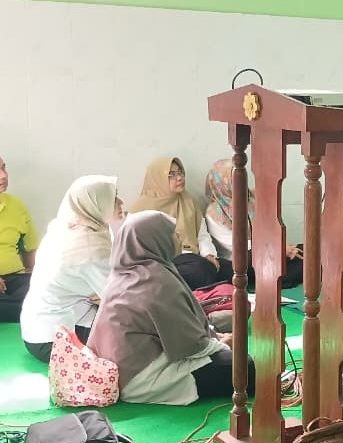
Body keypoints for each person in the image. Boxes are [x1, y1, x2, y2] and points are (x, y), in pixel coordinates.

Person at [87, 210, 255, 404]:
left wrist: (215, 338)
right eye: (173, 234)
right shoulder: (155, 281)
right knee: (244, 368)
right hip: (141, 378)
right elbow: (191, 347)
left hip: (118, 371)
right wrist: (222, 344)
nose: (179, 238)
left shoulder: (123, 273)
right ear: (155, 240)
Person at [20, 175, 120, 362]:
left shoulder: (68, 227)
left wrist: (104, 296)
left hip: (39, 329)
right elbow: (119, 297)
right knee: (136, 332)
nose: (120, 203)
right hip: (53, 341)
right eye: (112, 198)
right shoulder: (88, 247)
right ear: (94, 203)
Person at [204, 158, 303, 288]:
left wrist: (283, 246)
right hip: (240, 258)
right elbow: (236, 245)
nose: (240, 181)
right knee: (253, 257)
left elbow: (271, 228)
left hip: (266, 250)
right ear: (221, 183)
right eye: (233, 178)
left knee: (304, 250)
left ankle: (281, 274)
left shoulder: (250, 200)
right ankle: (282, 275)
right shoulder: (214, 213)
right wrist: (276, 249)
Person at [130, 157, 220, 290]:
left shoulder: (188, 200)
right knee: (200, 269)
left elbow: (201, 234)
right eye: (171, 175)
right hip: (166, 265)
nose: (179, 178)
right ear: (158, 179)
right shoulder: (141, 210)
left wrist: (209, 254)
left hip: (194, 258)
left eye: (180, 172)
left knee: (233, 268)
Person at [0, 155, 39, 322]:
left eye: (4, 168)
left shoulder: (17, 206)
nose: (3, 175)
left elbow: (30, 250)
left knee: (47, 295)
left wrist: (41, 278)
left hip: (16, 280)